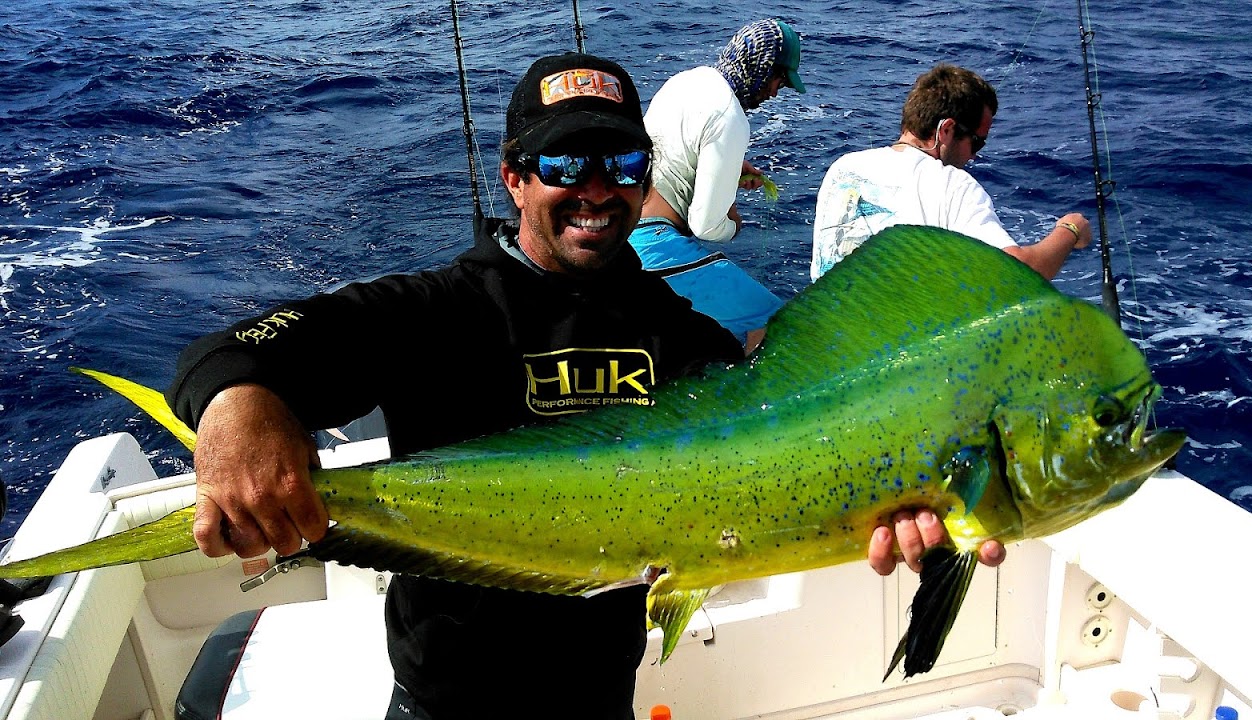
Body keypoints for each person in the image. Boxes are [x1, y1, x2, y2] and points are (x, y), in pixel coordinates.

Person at [165, 52, 999, 719]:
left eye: (623, 160)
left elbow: (781, 432)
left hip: (602, 698)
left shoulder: (680, 333)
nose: (597, 187)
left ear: (644, 175)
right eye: (566, 160)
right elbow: (225, 356)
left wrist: (909, 492)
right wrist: (241, 414)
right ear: (515, 178)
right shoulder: (438, 311)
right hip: (446, 703)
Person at [811, 63, 1093, 282]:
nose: (974, 155)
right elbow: (1017, 272)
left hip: (825, 345)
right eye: (977, 141)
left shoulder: (843, 167)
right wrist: (1069, 230)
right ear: (946, 130)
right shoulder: (953, 185)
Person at [631, 18, 805, 352]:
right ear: (763, 67)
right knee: (777, 324)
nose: (773, 92)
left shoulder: (687, 81)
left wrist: (727, 171)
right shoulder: (730, 117)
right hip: (658, 246)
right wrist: (733, 220)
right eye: (778, 80)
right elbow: (707, 227)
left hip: (627, 231)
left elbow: (676, 150)